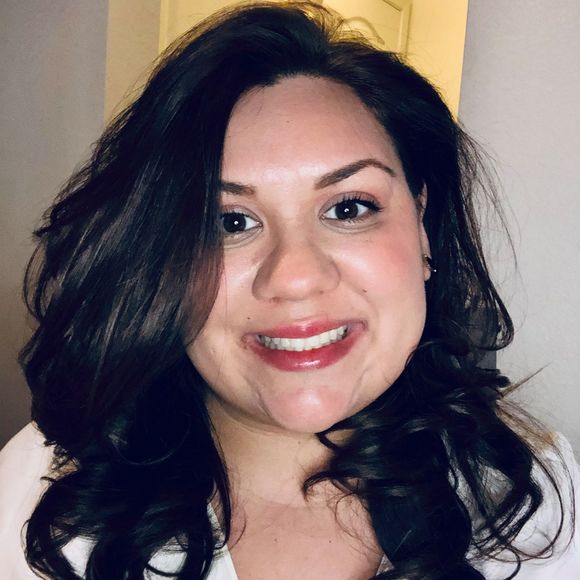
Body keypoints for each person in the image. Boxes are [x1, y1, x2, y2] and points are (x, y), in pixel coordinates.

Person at [0, 2, 578, 579]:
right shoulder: (41, 493)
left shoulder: (538, 501)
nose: (295, 277)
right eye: (229, 222)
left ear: (422, 224)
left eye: (348, 208)